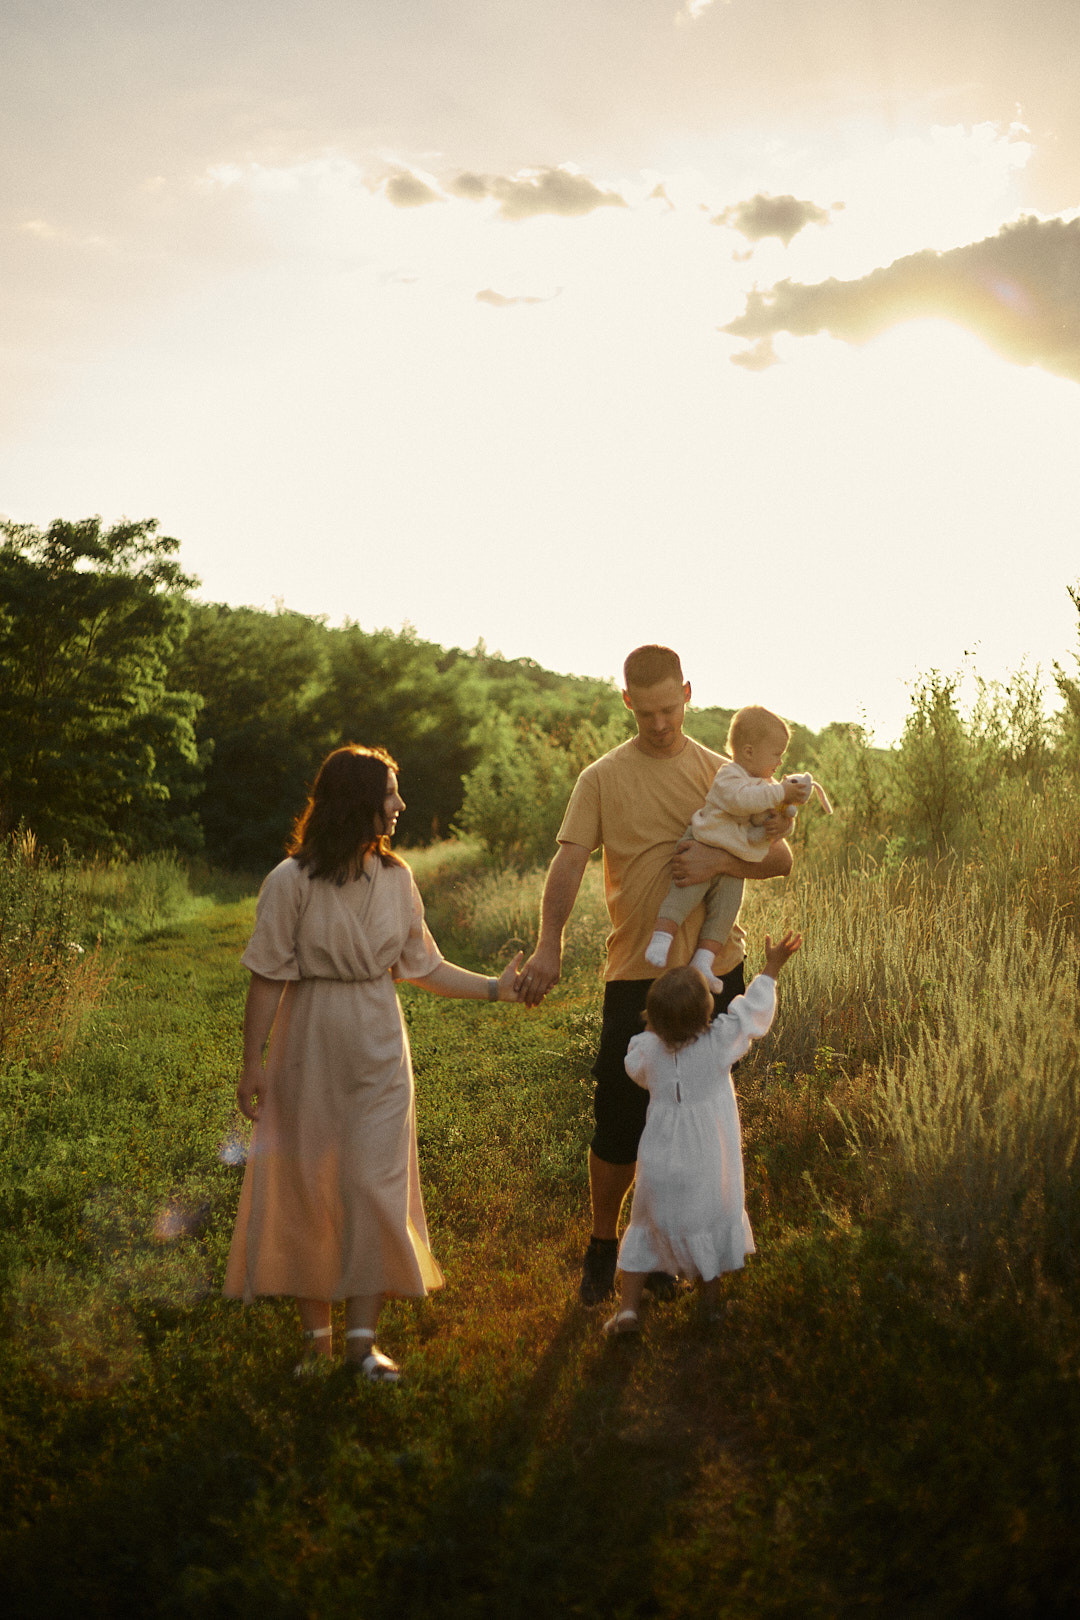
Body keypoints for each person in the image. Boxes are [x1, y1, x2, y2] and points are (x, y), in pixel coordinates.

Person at [224, 744, 523, 1383]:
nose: (400, 805)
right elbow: (267, 975)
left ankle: (363, 1346)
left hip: (381, 1046)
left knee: (376, 1185)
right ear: (357, 800)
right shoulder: (290, 881)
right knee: (310, 1185)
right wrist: (252, 1064)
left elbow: (423, 966)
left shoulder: (397, 879)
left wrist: (496, 988)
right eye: (390, 793)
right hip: (310, 1042)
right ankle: (317, 1345)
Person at [516, 645, 794, 1305]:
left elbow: (780, 857)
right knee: (619, 1121)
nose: (660, 723)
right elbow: (569, 862)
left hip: (714, 976)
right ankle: (603, 1242)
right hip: (636, 973)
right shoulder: (601, 778)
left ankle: (666, 1247)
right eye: (646, 712)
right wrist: (548, 945)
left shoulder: (723, 774)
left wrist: (718, 864)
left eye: (670, 708)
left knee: (691, 1120)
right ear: (626, 702)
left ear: (688, 693)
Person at [603, 934, 802, 1337]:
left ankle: (627, 1312)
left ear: (653, 1018)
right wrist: (772, 966)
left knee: (644, 1227)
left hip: (659, 1162)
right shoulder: (719, 1043)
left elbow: (633, 1066)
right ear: (707, 1012)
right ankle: (710, 1308)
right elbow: (751, 1012)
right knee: (709, 1224)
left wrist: (653, 1032)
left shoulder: (647, 1051)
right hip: (708, 1160)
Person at [645, 705, 830, 989]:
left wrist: (781, 824)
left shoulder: (766, 785)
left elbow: (765, 815)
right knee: (685, 892)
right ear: (749, 752)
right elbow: (742, 801)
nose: (780, 761)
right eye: (776, 753)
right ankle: (662, 936)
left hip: (732, 857)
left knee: (727, 911)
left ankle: (704, 960)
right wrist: (780, 791)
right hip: (703, 842)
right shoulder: (729, 776)